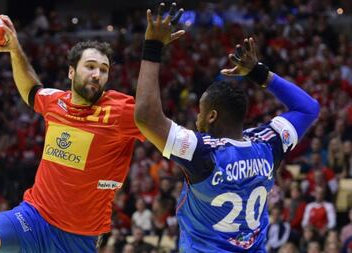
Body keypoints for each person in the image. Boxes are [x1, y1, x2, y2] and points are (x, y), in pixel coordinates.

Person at [0, 14, 145, 253]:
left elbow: (158, 125)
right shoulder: (55, 101)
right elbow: (31, 90)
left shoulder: (120, 110)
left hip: (77, 238)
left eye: (103, 69)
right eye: (90, 66)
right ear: (71, 72)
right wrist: (15, 50)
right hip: (34, 216)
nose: (97, 74)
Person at [134, 2, 319, 252]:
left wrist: (152, 47)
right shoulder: (267, 142)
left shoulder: (203, 151)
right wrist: (259, 73)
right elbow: (308, 108)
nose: (196, 119)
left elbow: (146, 116)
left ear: (211, 116)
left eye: (200, 112)